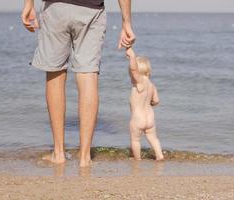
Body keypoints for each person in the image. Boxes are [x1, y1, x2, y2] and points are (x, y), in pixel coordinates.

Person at [21, 0, 136, 167]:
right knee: (88, 76)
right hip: (91, 9)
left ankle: (58, 153)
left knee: (55, 74)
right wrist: (126, 22)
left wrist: (28, 4)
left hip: (56, 8)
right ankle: (84, 158)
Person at [126, 47, 164, 161]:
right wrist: (150, 103)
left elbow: (133, 69)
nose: (132, 76)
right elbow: (156, 100)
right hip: (150, 118)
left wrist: (132, 56)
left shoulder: (140, 82)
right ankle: (159, 155)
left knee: (135, 139)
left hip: (138, 118)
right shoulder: (152, 85)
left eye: (132, 75)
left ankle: (137, 159)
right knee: (153, 138)